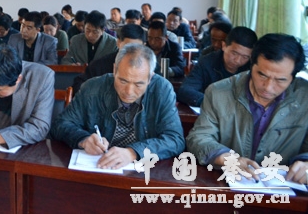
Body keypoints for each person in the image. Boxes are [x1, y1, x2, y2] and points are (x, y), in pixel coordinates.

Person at [186, 34, 308, 184]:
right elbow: (199, 137)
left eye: (280, 80)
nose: (268, 87)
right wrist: (226, 158)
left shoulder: (305, 98)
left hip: (286, 190)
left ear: (293, 78)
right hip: (226, 186)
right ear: (251, 64)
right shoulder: (218, 92)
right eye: (262, 75)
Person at [51, 44, 185, 168]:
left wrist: (133, 152)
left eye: (138, 84)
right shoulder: (93, 88)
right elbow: (61, 124)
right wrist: (83, 139)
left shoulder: (161, 90)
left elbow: (175, 139)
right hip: (98, 169)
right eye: (123, 81)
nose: (129, 92)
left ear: (150, 78)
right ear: (115, 70)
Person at [177, 26, 257, 107]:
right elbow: (185, 90)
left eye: (245, 57)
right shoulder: (207, 62)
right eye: (234, 53)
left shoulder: (252, 69)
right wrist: (215, 103)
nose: (237, 60)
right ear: (224, 46)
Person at [72, 24, 144, 94]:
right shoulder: (99, 66)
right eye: (128, 47)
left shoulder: (148, 68)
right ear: (118, 43)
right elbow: (79, 85)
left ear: (144, 46)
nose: (132, 52)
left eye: (137, 47)